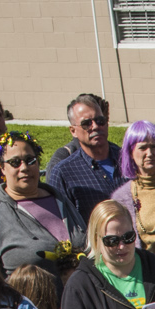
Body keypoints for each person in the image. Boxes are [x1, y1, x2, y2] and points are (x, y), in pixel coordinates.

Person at [48, 94, 123, 223]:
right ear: (73, 131)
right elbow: (58, 223)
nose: (95, 126)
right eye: (86, 123)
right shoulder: (63, 173)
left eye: (100, 120)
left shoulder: (128, 159)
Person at [110, 121, 155, 250]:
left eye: (154, 147)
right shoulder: (121, 198)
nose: (149, 153)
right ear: (130, 152)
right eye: (143, 148)